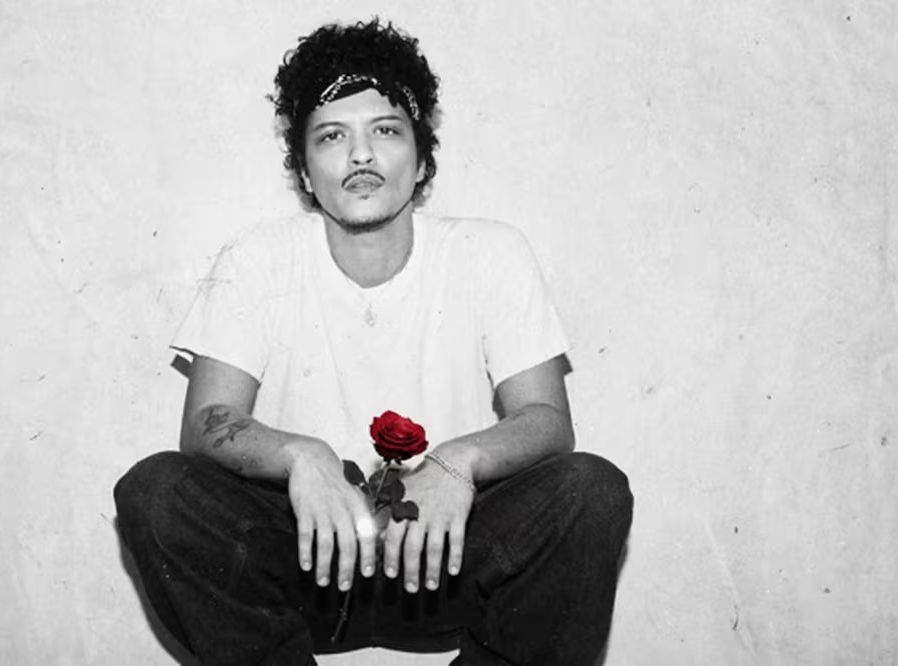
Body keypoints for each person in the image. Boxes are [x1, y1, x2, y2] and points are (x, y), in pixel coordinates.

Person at [114, 18, 633, 666]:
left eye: (385, 131)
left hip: (444, 559)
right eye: (332, 136)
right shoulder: (256, 258)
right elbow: (205, 423)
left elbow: (549, 420)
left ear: (422, 159)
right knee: (156, 492)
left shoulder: (490, 252)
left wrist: (458, 462)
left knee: (590, 492)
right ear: (305, 172)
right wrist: (302, 457)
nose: (360, 156)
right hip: (307, 566)